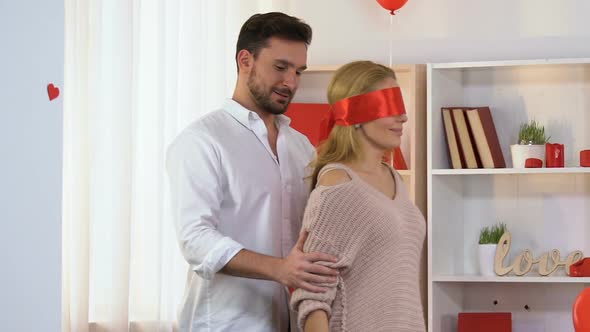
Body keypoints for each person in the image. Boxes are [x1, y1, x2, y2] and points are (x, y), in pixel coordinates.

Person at [166, 12, 339, 332]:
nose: (291, 82)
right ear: (245, 60)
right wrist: (280, 270)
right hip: (226, 324)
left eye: (298, 71)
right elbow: (195, 240)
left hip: (295, 321)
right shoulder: (202, 141)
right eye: (281, 67)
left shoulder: (302, 147)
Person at [290, 61, 427, 332]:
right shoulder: (338, 186)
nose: (403, 118)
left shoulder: (393, 177)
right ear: (356, 114)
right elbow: (313, 296)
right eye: (391, 106)